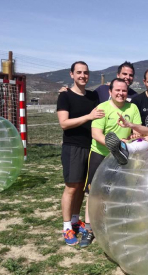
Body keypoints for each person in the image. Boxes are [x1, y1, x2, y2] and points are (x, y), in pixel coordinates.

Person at [80, 78, 141, 247]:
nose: (121, 93)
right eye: (117, 90)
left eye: (124, 91)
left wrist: (133, 137)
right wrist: (115, 145)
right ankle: (88, 229)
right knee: (94, 193)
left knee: (121, 192)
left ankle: (115, 226)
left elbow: (137, 131)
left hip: (122, 156)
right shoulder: (102, 108)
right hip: (100, 154)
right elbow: (96, 134)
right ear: (110, 92)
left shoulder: (132, 108)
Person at [56, 61, 105, 245]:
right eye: (79, 72)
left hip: (90, 147)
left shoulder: (93, 96)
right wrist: (88, 117)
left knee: (83, 188)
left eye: (85, 72)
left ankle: (76, 220)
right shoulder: (65, 96)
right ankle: (67, 227)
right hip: (72, 146)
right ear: (71, 75)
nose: (82, 75)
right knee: (71, 187)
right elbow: (64, 123)